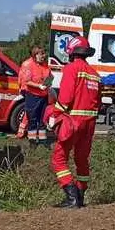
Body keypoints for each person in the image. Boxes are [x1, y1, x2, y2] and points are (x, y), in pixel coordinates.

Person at [47, 36, 101, 208]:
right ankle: (80, 195)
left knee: (58, 158)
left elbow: (65, 98)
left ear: (71, 52)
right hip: (90, 123)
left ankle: (71, 197)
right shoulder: (95, 74)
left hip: (73, 122)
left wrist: (54, 115)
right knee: (82, 159)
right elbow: (98, 101)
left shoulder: (71, 69)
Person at [19, 47, 52, 145]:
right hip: (32, 96)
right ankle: (32, 141)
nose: (44, 56)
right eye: (41, 54)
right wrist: (39, 86)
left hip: (44, 96)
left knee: (43, 119)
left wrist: (48, 83)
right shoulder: (30, 66)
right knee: (32, 119)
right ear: (35, 55)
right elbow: (27, 81)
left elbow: (49, 77)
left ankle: (42, 141)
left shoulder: (46, 66)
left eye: (44, 53)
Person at [15, 54, 34, 139]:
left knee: (28, 111)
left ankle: (22, 131)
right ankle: (23, 132)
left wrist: (20, 87)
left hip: (24, 89)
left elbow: (20, 77)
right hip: (31, 90)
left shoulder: (25, 63)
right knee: (30, 112)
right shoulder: (34, 65)